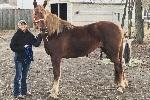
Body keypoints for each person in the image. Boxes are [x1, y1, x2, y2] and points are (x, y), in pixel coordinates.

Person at [10, 20, 42, 99]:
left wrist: (40, 36)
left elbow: (36, 44)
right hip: (19, 59)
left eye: (24, 25)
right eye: (21, 25)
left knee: (24, 76)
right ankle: (16, 93)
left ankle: (24, 91)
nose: (23, 27)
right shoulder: (16, 35)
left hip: (27, 58)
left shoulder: (29, 34)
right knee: (18, 76)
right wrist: (22, 48)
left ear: (26, 26)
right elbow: (12, 47)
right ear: (18, 26)